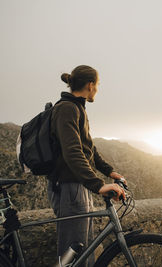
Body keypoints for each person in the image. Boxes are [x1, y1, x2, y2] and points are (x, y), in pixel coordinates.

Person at [47, 65, 126, 267]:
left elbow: (88, 147)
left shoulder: (76, 107)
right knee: (73, 255)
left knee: (80, 250)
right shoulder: (67, 109)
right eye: (97, 85)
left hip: (78, 185)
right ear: (90, 85)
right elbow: (72, 152)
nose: (97, 90)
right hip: (71, 187)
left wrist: (109, 171)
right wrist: (98, 185)